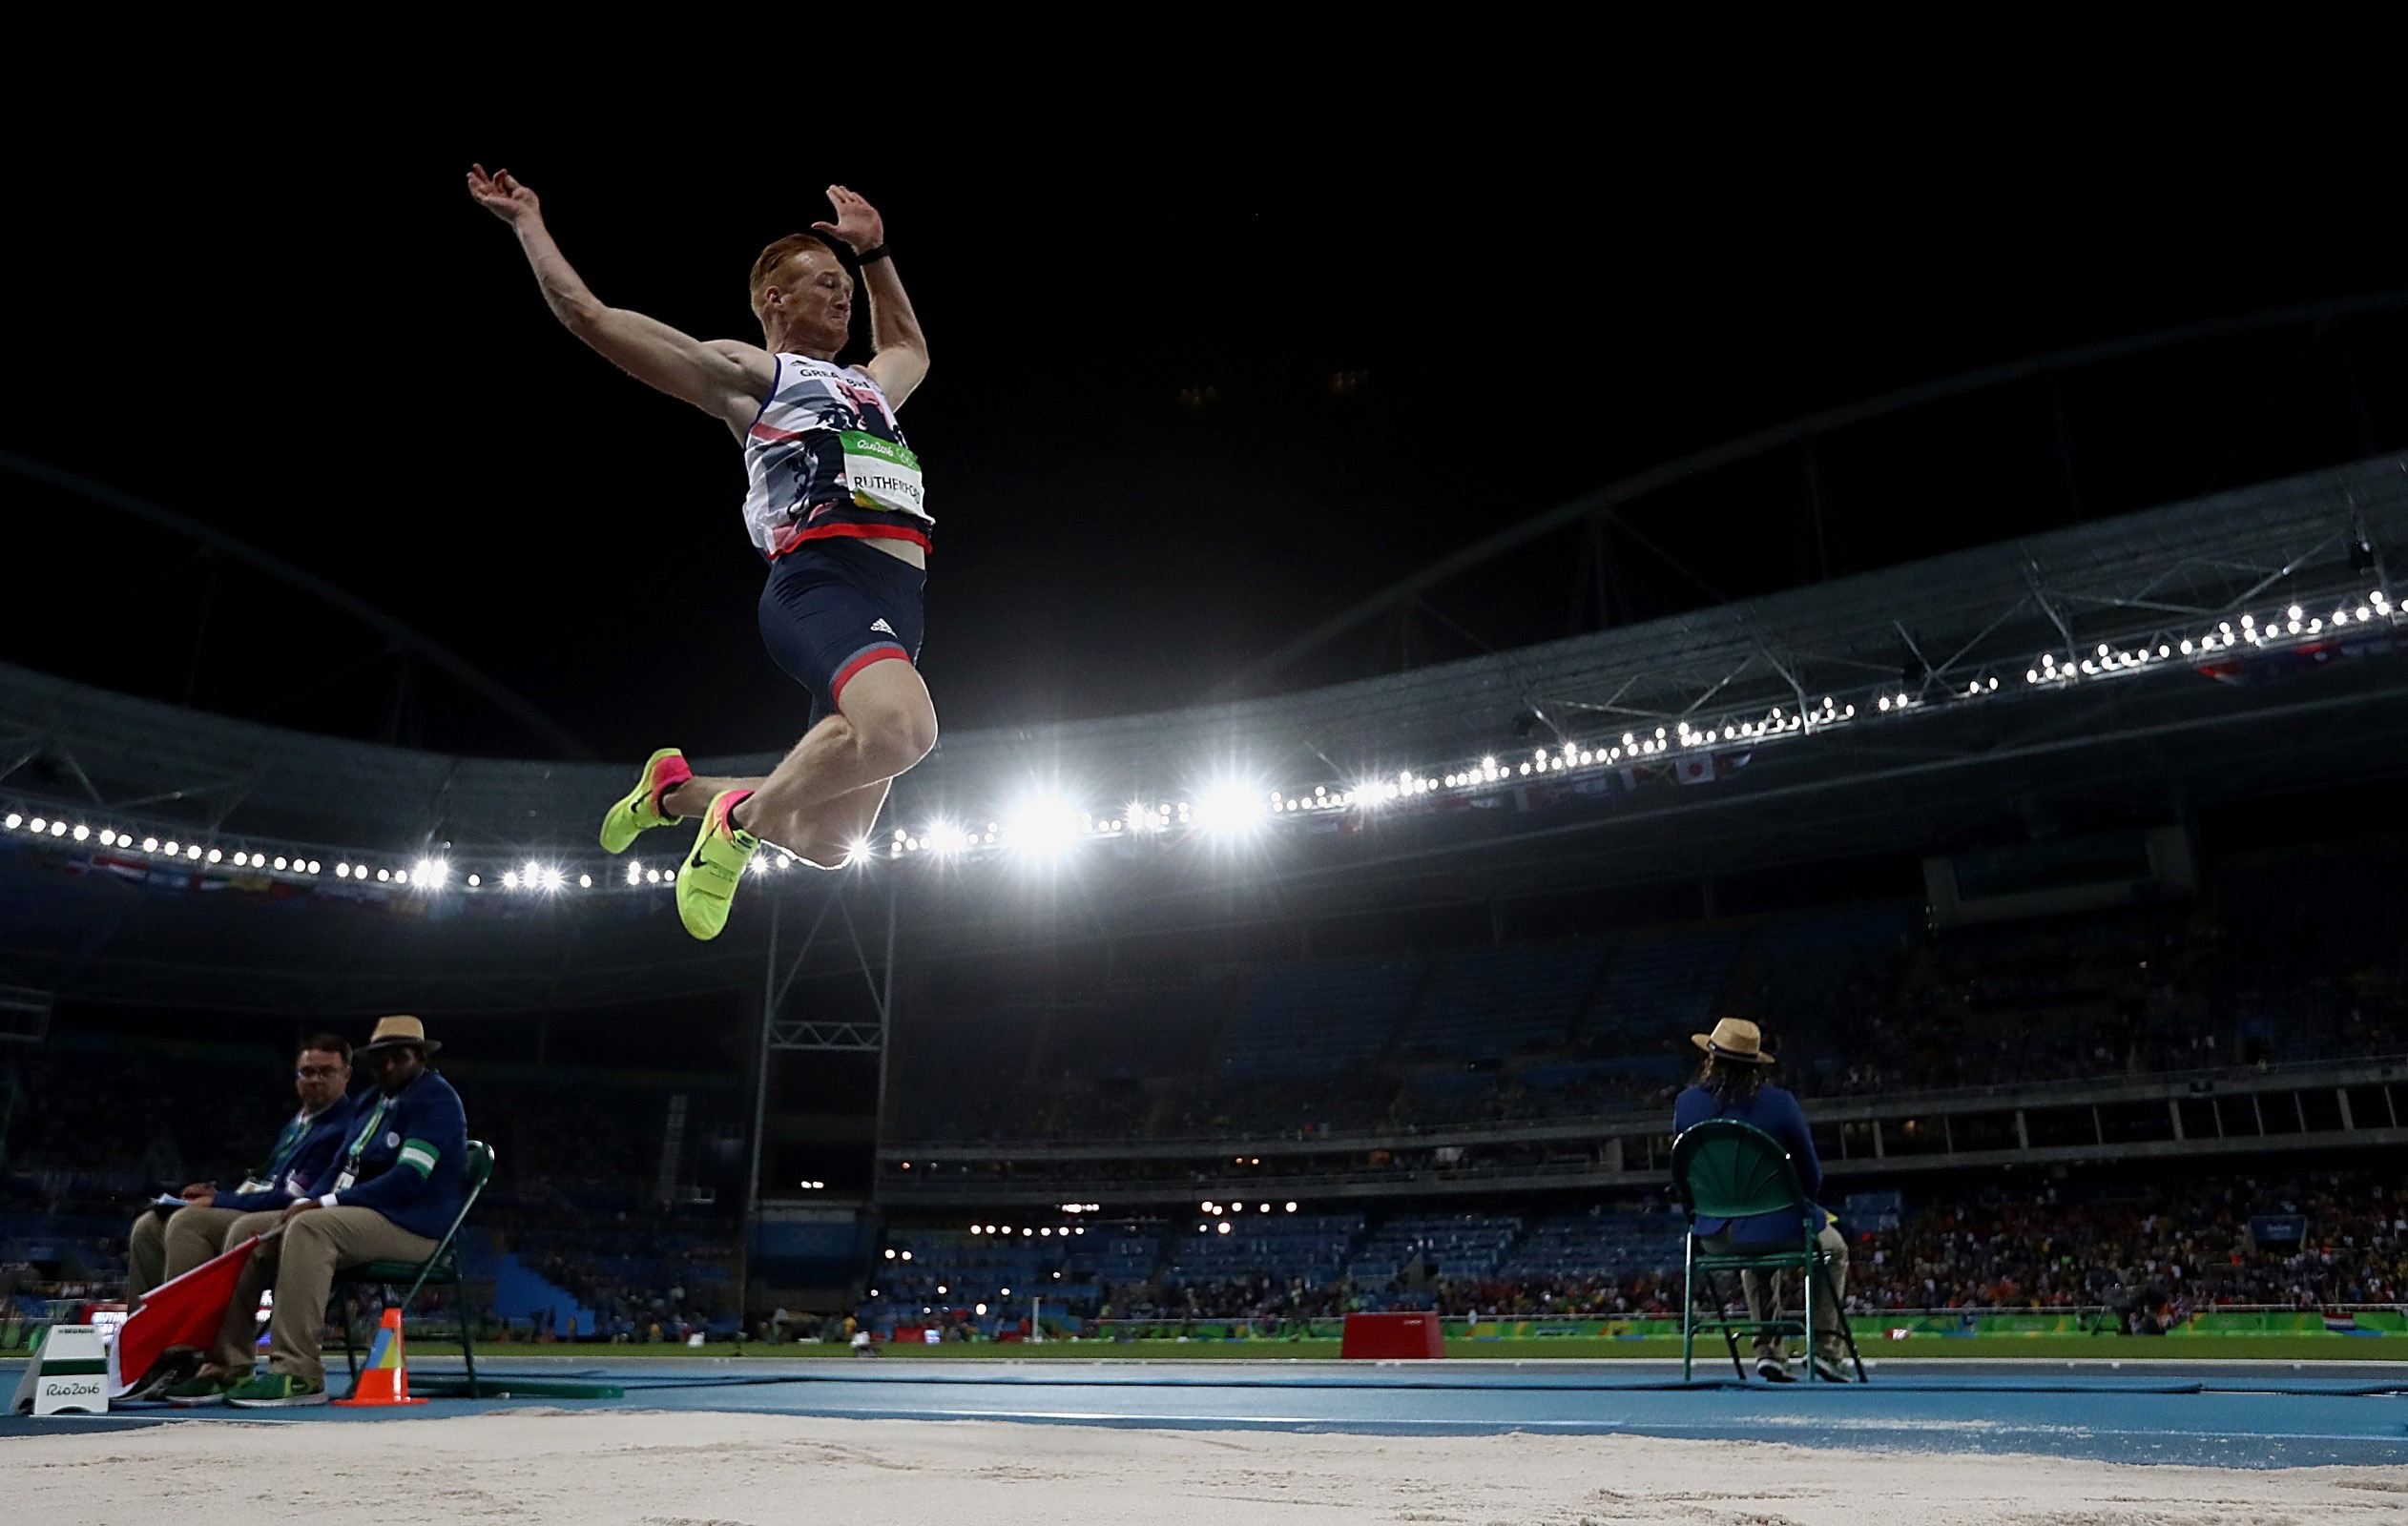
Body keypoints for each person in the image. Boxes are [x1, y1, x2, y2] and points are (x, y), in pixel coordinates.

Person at [467, 166, 936, 941]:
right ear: (774, 301)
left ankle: (678, 795)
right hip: (822, 584)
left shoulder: (869, 388)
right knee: (902, 735)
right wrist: (528, 224)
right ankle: (737, 830)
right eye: (824, 281)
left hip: (898, 606)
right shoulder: (756, 378)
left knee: (828, 843)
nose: (842, 293)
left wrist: (877, 251)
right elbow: (590, 315)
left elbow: (910, 346)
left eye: (844, 283)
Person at [172, 1016, 468, 1407]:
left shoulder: (436, 1102)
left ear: (421, 1058)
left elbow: (408, 1180)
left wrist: (326, 1203)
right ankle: (227, 1366)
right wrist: (301, 1202)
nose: (390, 1067)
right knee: (247, 1229)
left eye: (401, 1057)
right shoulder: (369, 1102)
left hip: (414, 1225)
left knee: (312, 1228)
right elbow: (338, 1169)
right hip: (365, 1213)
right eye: (382, 1059)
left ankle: (299, 1371)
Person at [1671, 1017, 1853, 1383]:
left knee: (1752, 1249)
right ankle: (1825, 1350)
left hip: (1715, 1234)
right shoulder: (1780, 1104)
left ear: (1711, 1059)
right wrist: (1798, 1211)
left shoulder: (1687, 1105)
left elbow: (1683, 1176)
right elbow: (1812, 1176)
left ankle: (1767, 1351)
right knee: (1835, 1251)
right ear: (1755, 1066)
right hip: (1780, 1226)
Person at [128, 1034, 358, 1313]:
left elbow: (287, 1198)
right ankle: (141, 1334)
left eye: (326, 1071)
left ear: (346, 1075)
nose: (315, 1079)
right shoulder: (298, 1123)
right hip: (258, 1208)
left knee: (189, 1223)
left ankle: (182, 1342)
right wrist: (217, 1193)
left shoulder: (343, 1127)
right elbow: (263, 1181)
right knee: (148, 1226)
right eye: (307, 1071)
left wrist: (218, 1201)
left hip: (293, 1218)